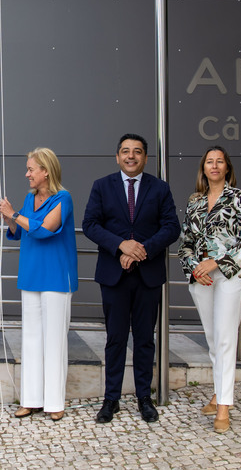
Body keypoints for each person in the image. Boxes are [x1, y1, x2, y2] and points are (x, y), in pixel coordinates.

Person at [82, 133, 180, 424]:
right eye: (125, 151)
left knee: (144, 339)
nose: (131, 156)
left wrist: (141, 250)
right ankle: (110, 399)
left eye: (137, 152)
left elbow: (171, 227)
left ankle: (143, 398)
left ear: (145, 158)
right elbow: (90, 225)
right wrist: (121, 245)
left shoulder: (160, 188)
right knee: (115, 339)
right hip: (114, 275)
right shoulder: (102, 186)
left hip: (148, 275)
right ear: (117, 156)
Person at [178, 145, 241, 434]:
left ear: (227, 168)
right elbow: (184, 244)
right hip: (201, 280)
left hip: (229, 276)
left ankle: (224, 407)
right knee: (213, 339)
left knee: (225, 339)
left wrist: (215, 263)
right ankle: (218, 393)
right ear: (203, 168)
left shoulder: (239, 198)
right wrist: (195, 268)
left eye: (219, 161)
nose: (214, 166)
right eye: (209, 162)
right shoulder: (194, 202)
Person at [0, 147, 77, 422]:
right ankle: (31, 399)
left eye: (31, 169)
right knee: (31, 339)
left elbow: (45, 229)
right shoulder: (30, 198)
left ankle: (55, 402)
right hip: (31, 275)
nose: (27, 174)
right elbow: (20, 232)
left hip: (56, 277)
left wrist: (15, 215)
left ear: (46, 171)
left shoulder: (63, 198)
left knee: (54, 340)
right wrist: (10, 220)